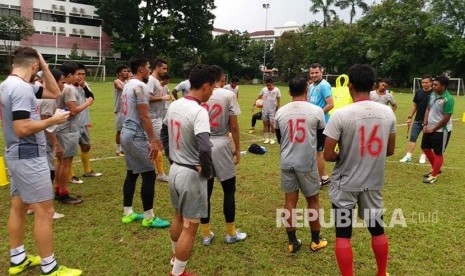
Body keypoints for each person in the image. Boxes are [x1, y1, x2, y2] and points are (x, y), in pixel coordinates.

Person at [1, 46, 82, 276]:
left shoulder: (11, 84)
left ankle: (18, 259)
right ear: (33, 66)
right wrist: (52, 120)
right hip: (29, 155)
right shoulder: (21, 89)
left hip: (16, 154)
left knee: (19, 205)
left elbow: (55, 92)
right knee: (45, 211)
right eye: (40, 66)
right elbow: (22, 127)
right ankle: (50, 266)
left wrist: (44, 66)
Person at [323, 64, 396, 276]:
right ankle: (381, 273)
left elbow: (328, 154)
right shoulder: (388, 113)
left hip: (345, 182)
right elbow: (390, 150)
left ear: (349, 86)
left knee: (343, 235)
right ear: (373, 86)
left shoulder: (340, 115)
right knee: (377, 229)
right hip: (373, 182)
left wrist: (343, 156)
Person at [161, 64, 217, 276]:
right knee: (190, 226)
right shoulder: (199, 111)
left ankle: (175, 258)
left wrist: (171, 156)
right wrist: (206, 171)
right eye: (212, 87)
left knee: (177, 215)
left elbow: (164, 131)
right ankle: (178, 273)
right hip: (190, 175)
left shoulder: (175, 105)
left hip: (175, 169)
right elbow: (204, 146)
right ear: (204, 86)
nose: (212, 92)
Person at [275, 77, 328, 253]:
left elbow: (280, 139)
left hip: (287, 161)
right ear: (307, 90)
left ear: (289, 92)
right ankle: (315, 240)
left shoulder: (280, 112)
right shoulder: (317, 111)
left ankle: (292, 242)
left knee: (290, 201)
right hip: (306, 162)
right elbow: (321, 139)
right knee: (313, 200)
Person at [119, 57, 170, 228]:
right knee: (148, 174)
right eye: (148, 68)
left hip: (126, 132)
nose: (149, 70)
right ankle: (149, 217)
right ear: (141, 69)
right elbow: (144, 115)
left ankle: (128, 212)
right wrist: (153, 140)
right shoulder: (140, 86)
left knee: (132, 173)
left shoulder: (127, 84)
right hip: (136, 134)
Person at [199, 66, 246, 246]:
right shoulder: (228, 95)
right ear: (222, 78)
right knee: (229, 190)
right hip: (221, 142)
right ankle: (230, 233)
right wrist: (237, 148)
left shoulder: (201, 92)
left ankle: (205, 234)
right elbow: (234, 126)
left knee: (205, 191)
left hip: (203, 143)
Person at [55, 62, 93, 204]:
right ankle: (64, 194)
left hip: (60, 127)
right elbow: (73, 111)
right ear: (70, 75)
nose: (78, 77)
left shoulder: (60, 87)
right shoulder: (69, 89)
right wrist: (87, 103)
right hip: (69, 129)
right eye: (76, 74)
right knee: (66, 162)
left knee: (61, 162)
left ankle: (59, 190)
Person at [421, 75, 454, 184]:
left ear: (443, 86)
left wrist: (433, 129)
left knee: (438, 153)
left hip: (441, 130)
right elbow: (428, 109)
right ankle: (435, 168)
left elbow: (446, 118)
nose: (433, 86)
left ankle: (434, 175)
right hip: (429, 127)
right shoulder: (432, 94)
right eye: (433, 84)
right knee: (425, 148)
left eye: (436, 84)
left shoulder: (448, 99)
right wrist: (425, 123)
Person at [73, 63, 102, 180]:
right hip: (72, 123)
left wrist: (84, 86)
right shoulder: (67, 87)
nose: (80, 76)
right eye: (78, 74)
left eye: (83, 74)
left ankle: (87, 171)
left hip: (83, 122)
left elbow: (91, 98)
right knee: (69, 151)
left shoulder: (85, 86)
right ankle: (70, 175)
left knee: (86, 146)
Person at [307, 63, 334, 187]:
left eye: (316, 72)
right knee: (314, 152)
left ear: (321, 72)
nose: (314, 75)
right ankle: (324, 177)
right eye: (312, 73)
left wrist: (317, 114)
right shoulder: (312, 86)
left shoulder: (324, 85)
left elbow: (330, 104)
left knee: (318, 152)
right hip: (312, 123)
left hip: (321, 124)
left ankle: (319, 180)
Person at [147, 58, 171, 182]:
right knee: (158, 145)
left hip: (158, 117)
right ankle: (160, 174)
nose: (165, 70)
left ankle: (154, 170)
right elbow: (147, 97)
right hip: (153, 117)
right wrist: (162, 97)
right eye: (164, 68)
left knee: (155, 145)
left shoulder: (157, 81)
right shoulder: (151, 80)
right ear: (157, 67)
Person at [399, 75, 433, 164]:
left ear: (431, 83)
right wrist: (410, 117)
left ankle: (423, 157)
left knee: (426, 141)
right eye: (423, 82)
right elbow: (414, 105)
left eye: (426, 82)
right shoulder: (419, 92)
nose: (424, 84)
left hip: (430, 122)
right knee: (412, 138)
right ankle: (408, 156)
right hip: (417, 121)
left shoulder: (434, 93)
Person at [252, 77, 280, 144]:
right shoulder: (264, 90)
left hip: (272, 110)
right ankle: (266, 138)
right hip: (264, 110)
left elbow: (278, 100)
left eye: (269, 85)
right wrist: (254, 105)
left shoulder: (277, 90)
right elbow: (259, 97)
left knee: (272, 124)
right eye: (267, 85)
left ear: (272, 84)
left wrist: (278, 108)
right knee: (265, 124)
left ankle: (272, 138)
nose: (268, 87)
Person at [113, 64, 130, 157]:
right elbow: (122, 88)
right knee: (119, 130)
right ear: (119, 73)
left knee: (126, 130)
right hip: (119, 109)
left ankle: (124, 148)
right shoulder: (117, 81)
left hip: (127, 110)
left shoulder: (128, 82)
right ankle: (118, 149)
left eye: (127, 71)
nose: (126, 73)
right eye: (124, 71)